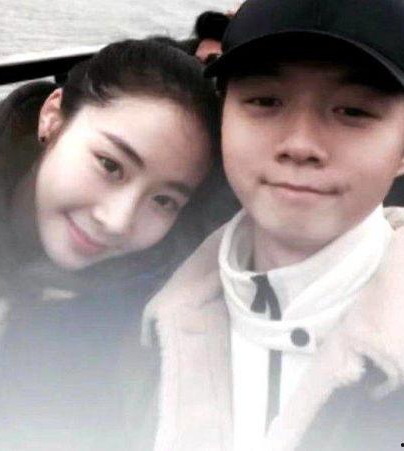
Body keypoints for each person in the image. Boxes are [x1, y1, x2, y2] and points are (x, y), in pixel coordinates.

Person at [0, 38, 223, 449]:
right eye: (110, 165)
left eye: (164, 201)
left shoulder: (157, 328)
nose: (118, 221)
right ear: (52, 119)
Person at [141, 0, 404, 450]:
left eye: (353, 111)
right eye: (265, 101)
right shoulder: (139, 318)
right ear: (223, 119)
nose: (300, 145)